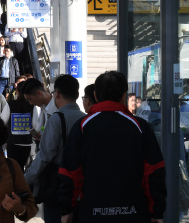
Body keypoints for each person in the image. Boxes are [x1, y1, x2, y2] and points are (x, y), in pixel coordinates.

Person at [59, 71, 166, 223]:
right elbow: (154, 171)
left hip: (92, 213)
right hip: (134, 213)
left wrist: (67, 209)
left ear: (95, 96)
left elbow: (70, 172)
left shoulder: (82, 127)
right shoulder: (140, 127)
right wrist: (156, 211)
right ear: (124, 95)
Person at [24, 74, 85, 223]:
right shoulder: (86, 119)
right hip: (81, 187)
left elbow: (45, 156)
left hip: (58, 187)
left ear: (57, 94)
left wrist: (27, 178)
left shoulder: (57, 119)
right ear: (77, 95)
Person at [6, 80, 34, 172]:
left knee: (13, 169)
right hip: (26, 142)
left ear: (17, 91)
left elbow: (2, 120)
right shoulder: (32, 105)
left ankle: (15, 185)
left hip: (12, 141)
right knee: (21, 167)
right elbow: (36, 124)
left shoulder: (10, 105)